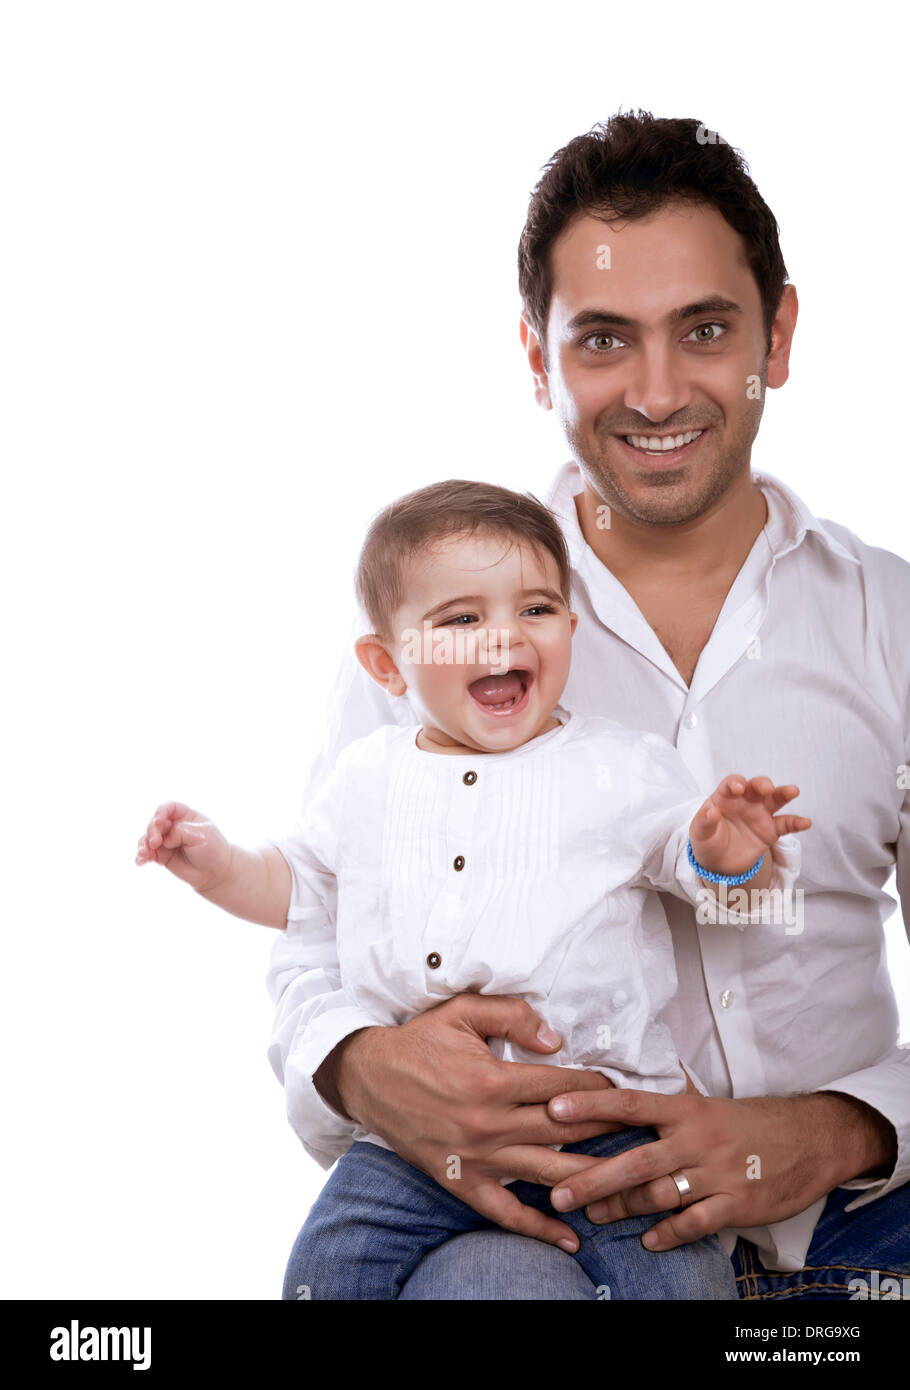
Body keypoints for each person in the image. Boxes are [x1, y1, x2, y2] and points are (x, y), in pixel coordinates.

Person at [264, 111, 910, 1301]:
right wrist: (357, 1065)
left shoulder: (890, 621)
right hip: (548, 1221)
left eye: (705, 330)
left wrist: (834, 1129)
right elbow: (313, 922)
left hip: (860, 1230)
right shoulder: (446, 627)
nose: (656, 392)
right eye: (604, 339)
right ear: (534, 355)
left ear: (777, 331)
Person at [136, 479, 809, 1298]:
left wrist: (725, 849)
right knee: (326, 1268)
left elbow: (700, 874)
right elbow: (300, 890)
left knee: (676, 1282)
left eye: (534, 610)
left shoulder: (615, 766)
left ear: (568, 627)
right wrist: (216, 864)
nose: (504, 636)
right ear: (387, 664)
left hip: (606, 1123)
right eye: (462, 619)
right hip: (418, 1143)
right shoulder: (367, 777)